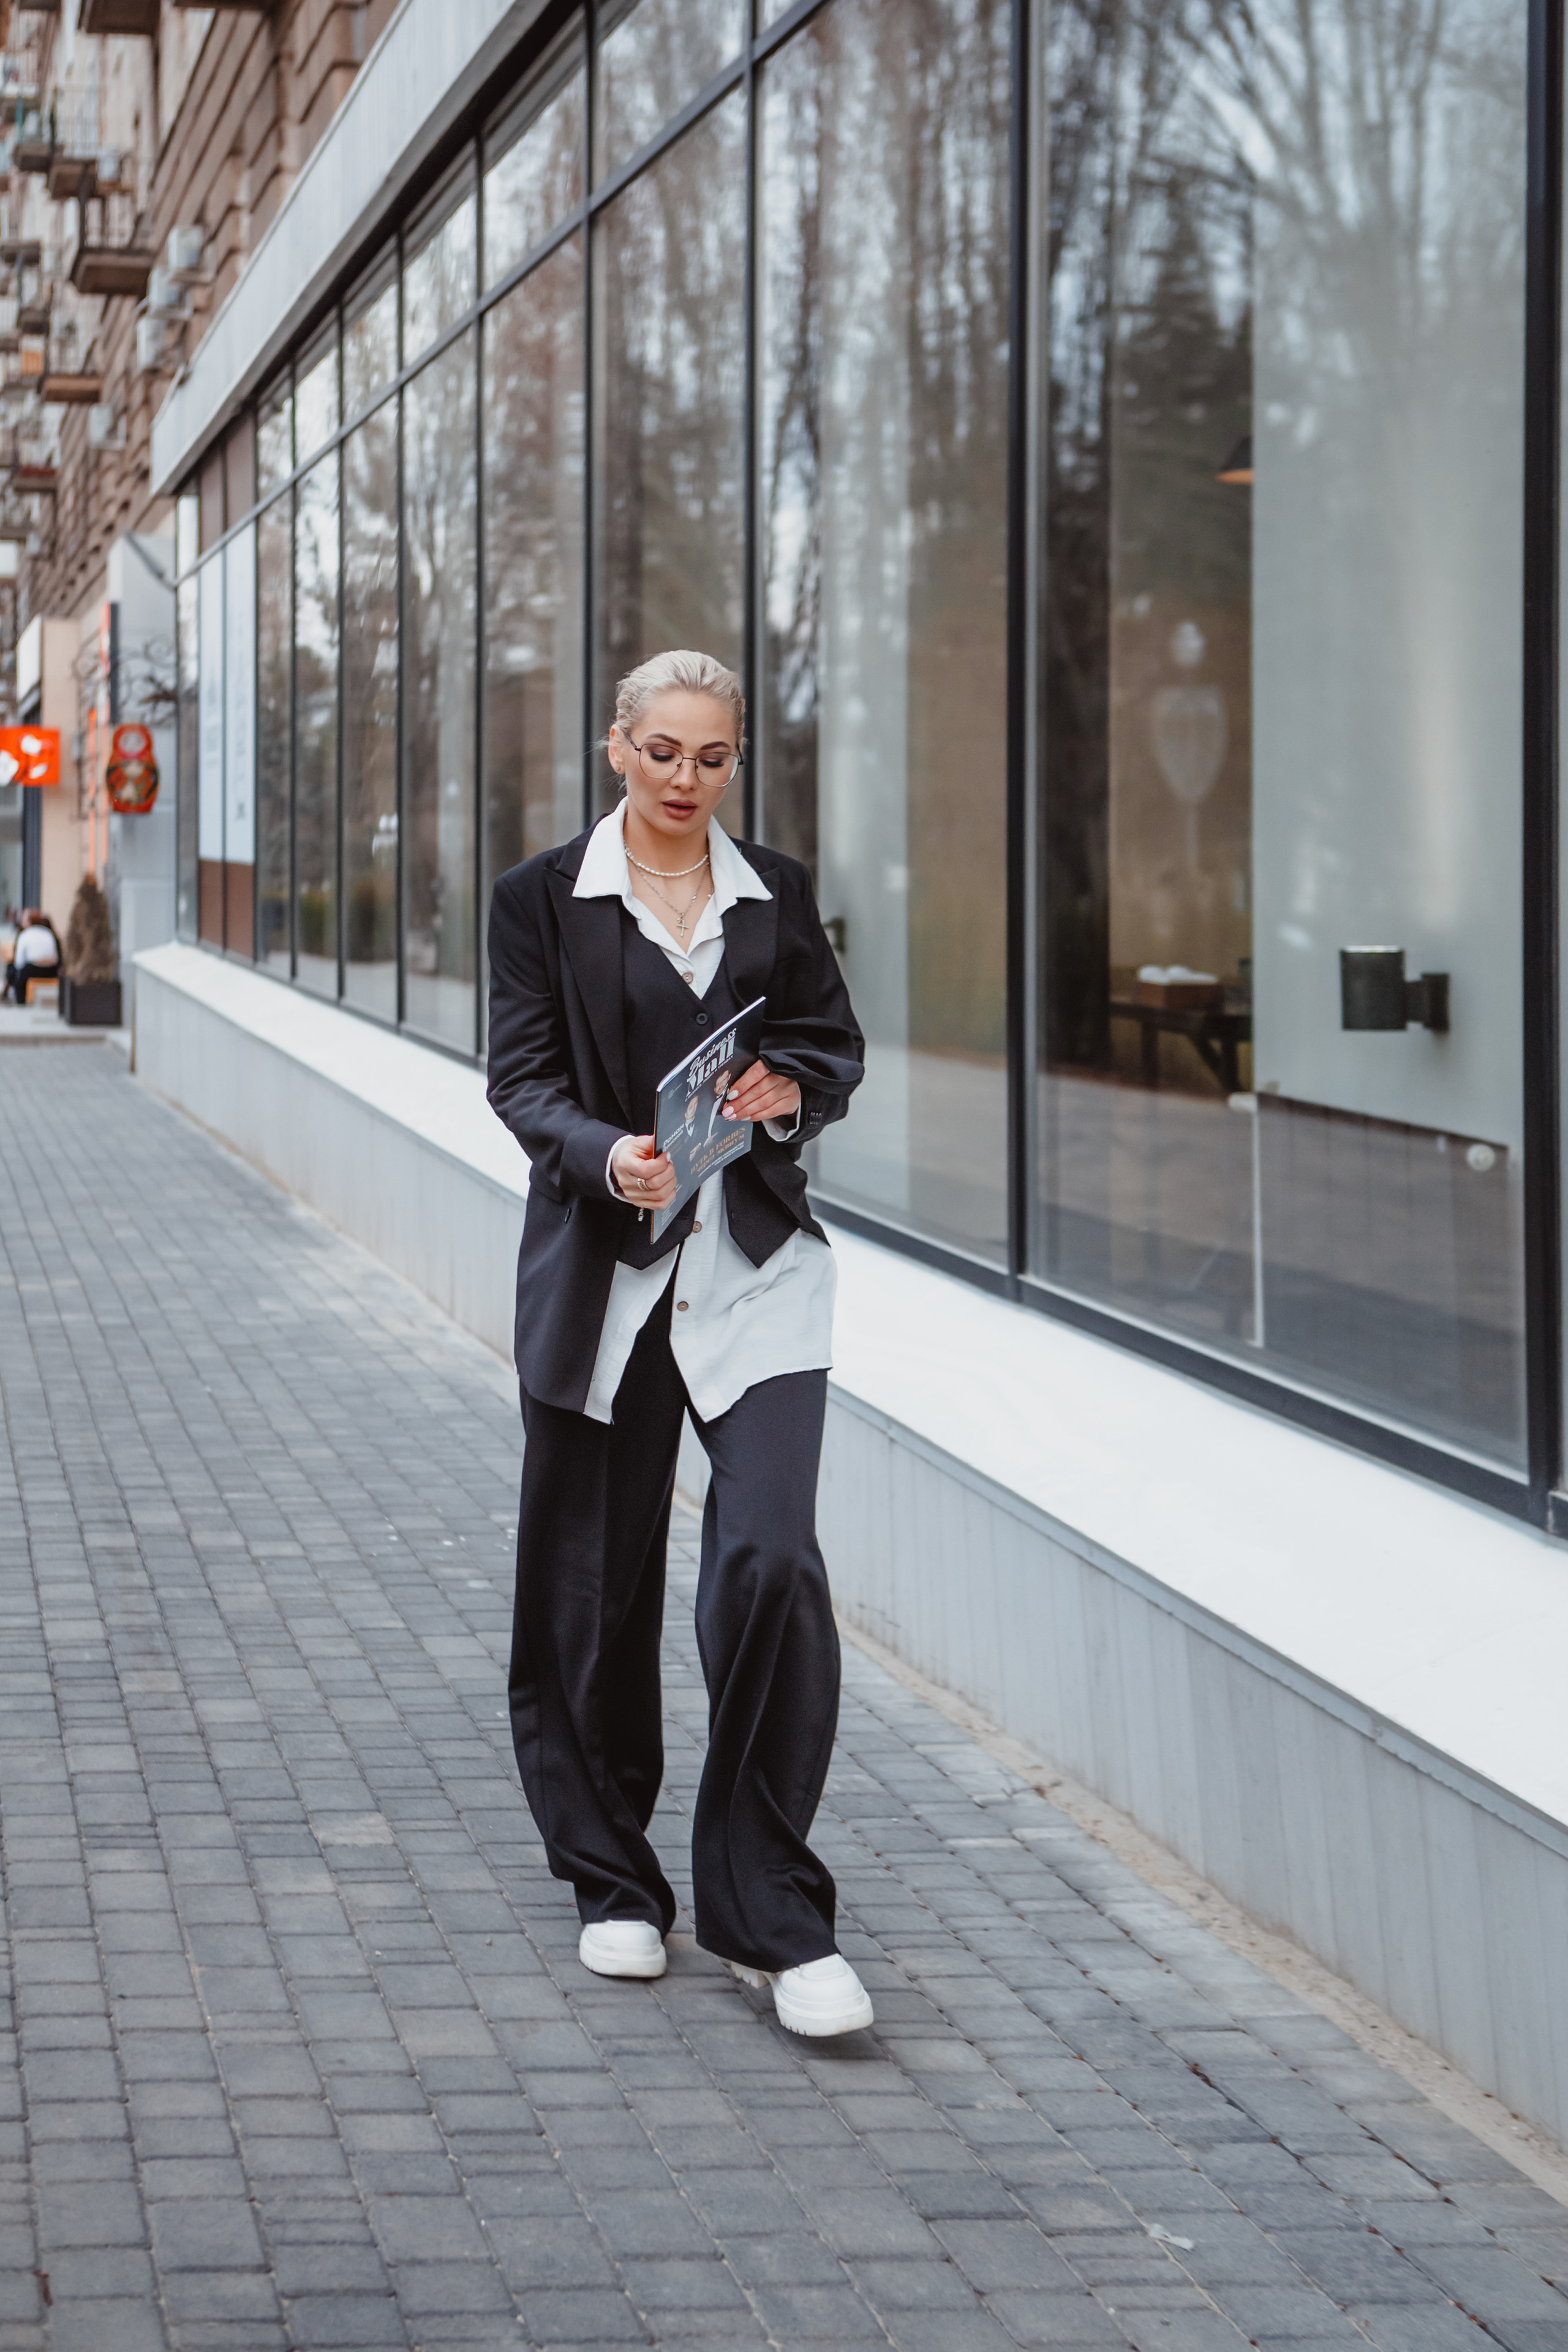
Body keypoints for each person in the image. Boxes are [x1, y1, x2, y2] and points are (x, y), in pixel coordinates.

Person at [486, 648, 871, 2038]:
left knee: (770, 1556)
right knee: (591, 1593)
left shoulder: (772, 893)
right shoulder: (541, 898)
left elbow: (832, 1045)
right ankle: (614, 1882)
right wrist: (603, 1155)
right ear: (615, 748)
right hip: (610, 1283)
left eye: (709, 758)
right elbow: (520, 1078)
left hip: (757, 1274)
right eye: (659, 752)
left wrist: (783, 1093)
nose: (683, 781)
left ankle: (769, 1907)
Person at [6, 908, 61, 1003]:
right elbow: (55, 958)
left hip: (32, 970)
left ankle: (20, 1003)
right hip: (51, 971)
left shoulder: (24, 935)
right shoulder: (49, 933)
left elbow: (19, 962)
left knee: (16, 975)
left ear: (29, 921)